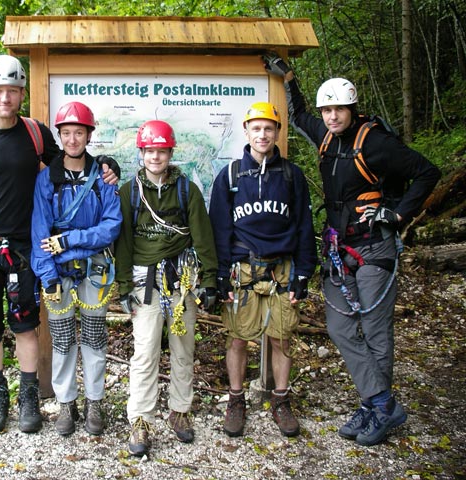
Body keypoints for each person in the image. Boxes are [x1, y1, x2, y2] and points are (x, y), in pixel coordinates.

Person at [264, 53, 441, 446]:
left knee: (376, 331)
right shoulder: (326, 137)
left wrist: (397, 215)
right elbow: (298, 116)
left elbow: (427, 172)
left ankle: (375, 407)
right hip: (339, 247)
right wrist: (288, 79)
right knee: (341, 327)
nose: (331, 116)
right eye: (327, 109)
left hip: (374, 247)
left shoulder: (375, 142)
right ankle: (381, 403)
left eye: (338, 109)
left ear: (352, 108)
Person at [0, 55, 119, 435]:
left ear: (22, 94)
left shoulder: (35, 133)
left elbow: (71, 165)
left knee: (24, 322)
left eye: (13, 91)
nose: (5, 97)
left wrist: (106, 164)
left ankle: (29, 395)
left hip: (24, 244)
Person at [209, 102, 317, 438]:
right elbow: (219, 229)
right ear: (246, 131)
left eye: (268, 128)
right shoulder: (229, 176)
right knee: (238, 338)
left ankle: (281, 399)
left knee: (281, 337)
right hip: (242, 270)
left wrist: (304, 274)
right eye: (256, 128)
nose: (262, 134)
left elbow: (303, 225)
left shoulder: (291, 175)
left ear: (277, 133)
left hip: (282, 269)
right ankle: (236, 399)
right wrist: (218, 273)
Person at [114, 120, 218, 456]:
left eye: (161, 151)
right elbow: (124, 243)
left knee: (183, 347)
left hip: (181, 280)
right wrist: (124, 286)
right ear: (141, 153)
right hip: (145, 281)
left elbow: (203, 237)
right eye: (150, 151)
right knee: (145, 352)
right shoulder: (130, 192)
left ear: (170, 152)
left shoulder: (187, 190)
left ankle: (180, 410)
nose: (155, 156)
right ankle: (141, 419)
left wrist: (209, 281)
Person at [30, 101, 122, 437]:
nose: (72, 139)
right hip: (57, 271)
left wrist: (69, 241)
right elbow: (39, 234)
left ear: (88, 135)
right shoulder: (46, 180)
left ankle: (94, 401)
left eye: (78, 132)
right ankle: (66, 403)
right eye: (66, 133)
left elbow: (111, 226)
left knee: (95, 338)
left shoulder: (103, 178)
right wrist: (48, 275)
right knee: (63, 340)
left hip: (94, 270)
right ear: (60, 135)